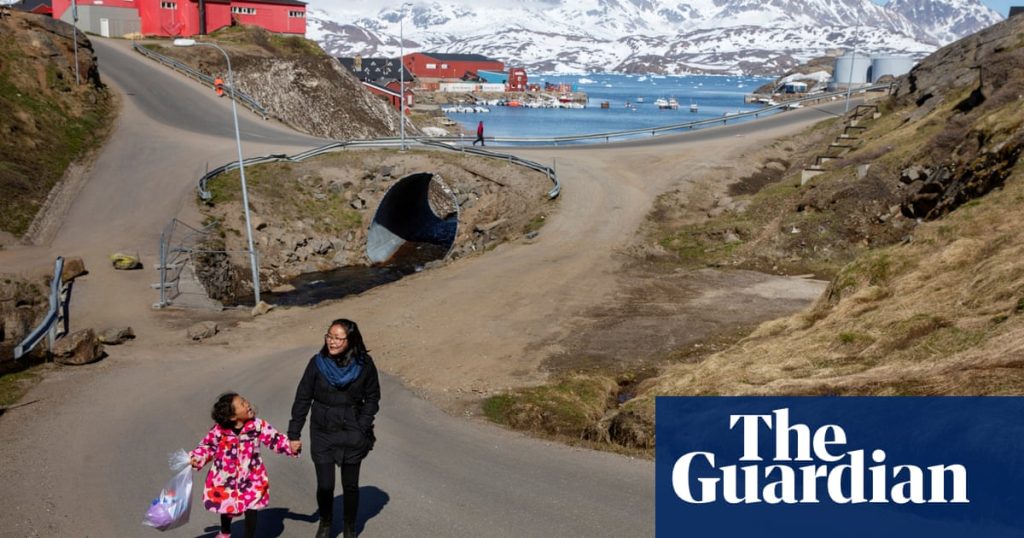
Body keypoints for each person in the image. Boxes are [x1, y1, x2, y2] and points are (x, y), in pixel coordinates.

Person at [289, 319, 381, 538]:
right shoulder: (317, 363)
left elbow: (373, 397)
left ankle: (349, 526)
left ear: (351, 340)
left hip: (352, 429)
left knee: (350, 485)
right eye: (329, 336)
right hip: (322, 430)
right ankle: (326, 523)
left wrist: (363, 425)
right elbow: (303, 398)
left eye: (338, 338)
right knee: (325, 486)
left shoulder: (364, 364)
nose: (332, 342)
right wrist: (294, 433)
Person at [190, 393, 298, 538]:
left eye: (245, 401)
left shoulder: (257, 426)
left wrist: (290, 446)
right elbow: (208, 447)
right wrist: (196, 458)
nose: (247, 404)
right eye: (242, 404)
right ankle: (225, 532)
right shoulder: (219, 431)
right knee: (226, 505)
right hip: (225, 477)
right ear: (232, 417)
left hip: (252, 476)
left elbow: (275, 439)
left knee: (252, 507)